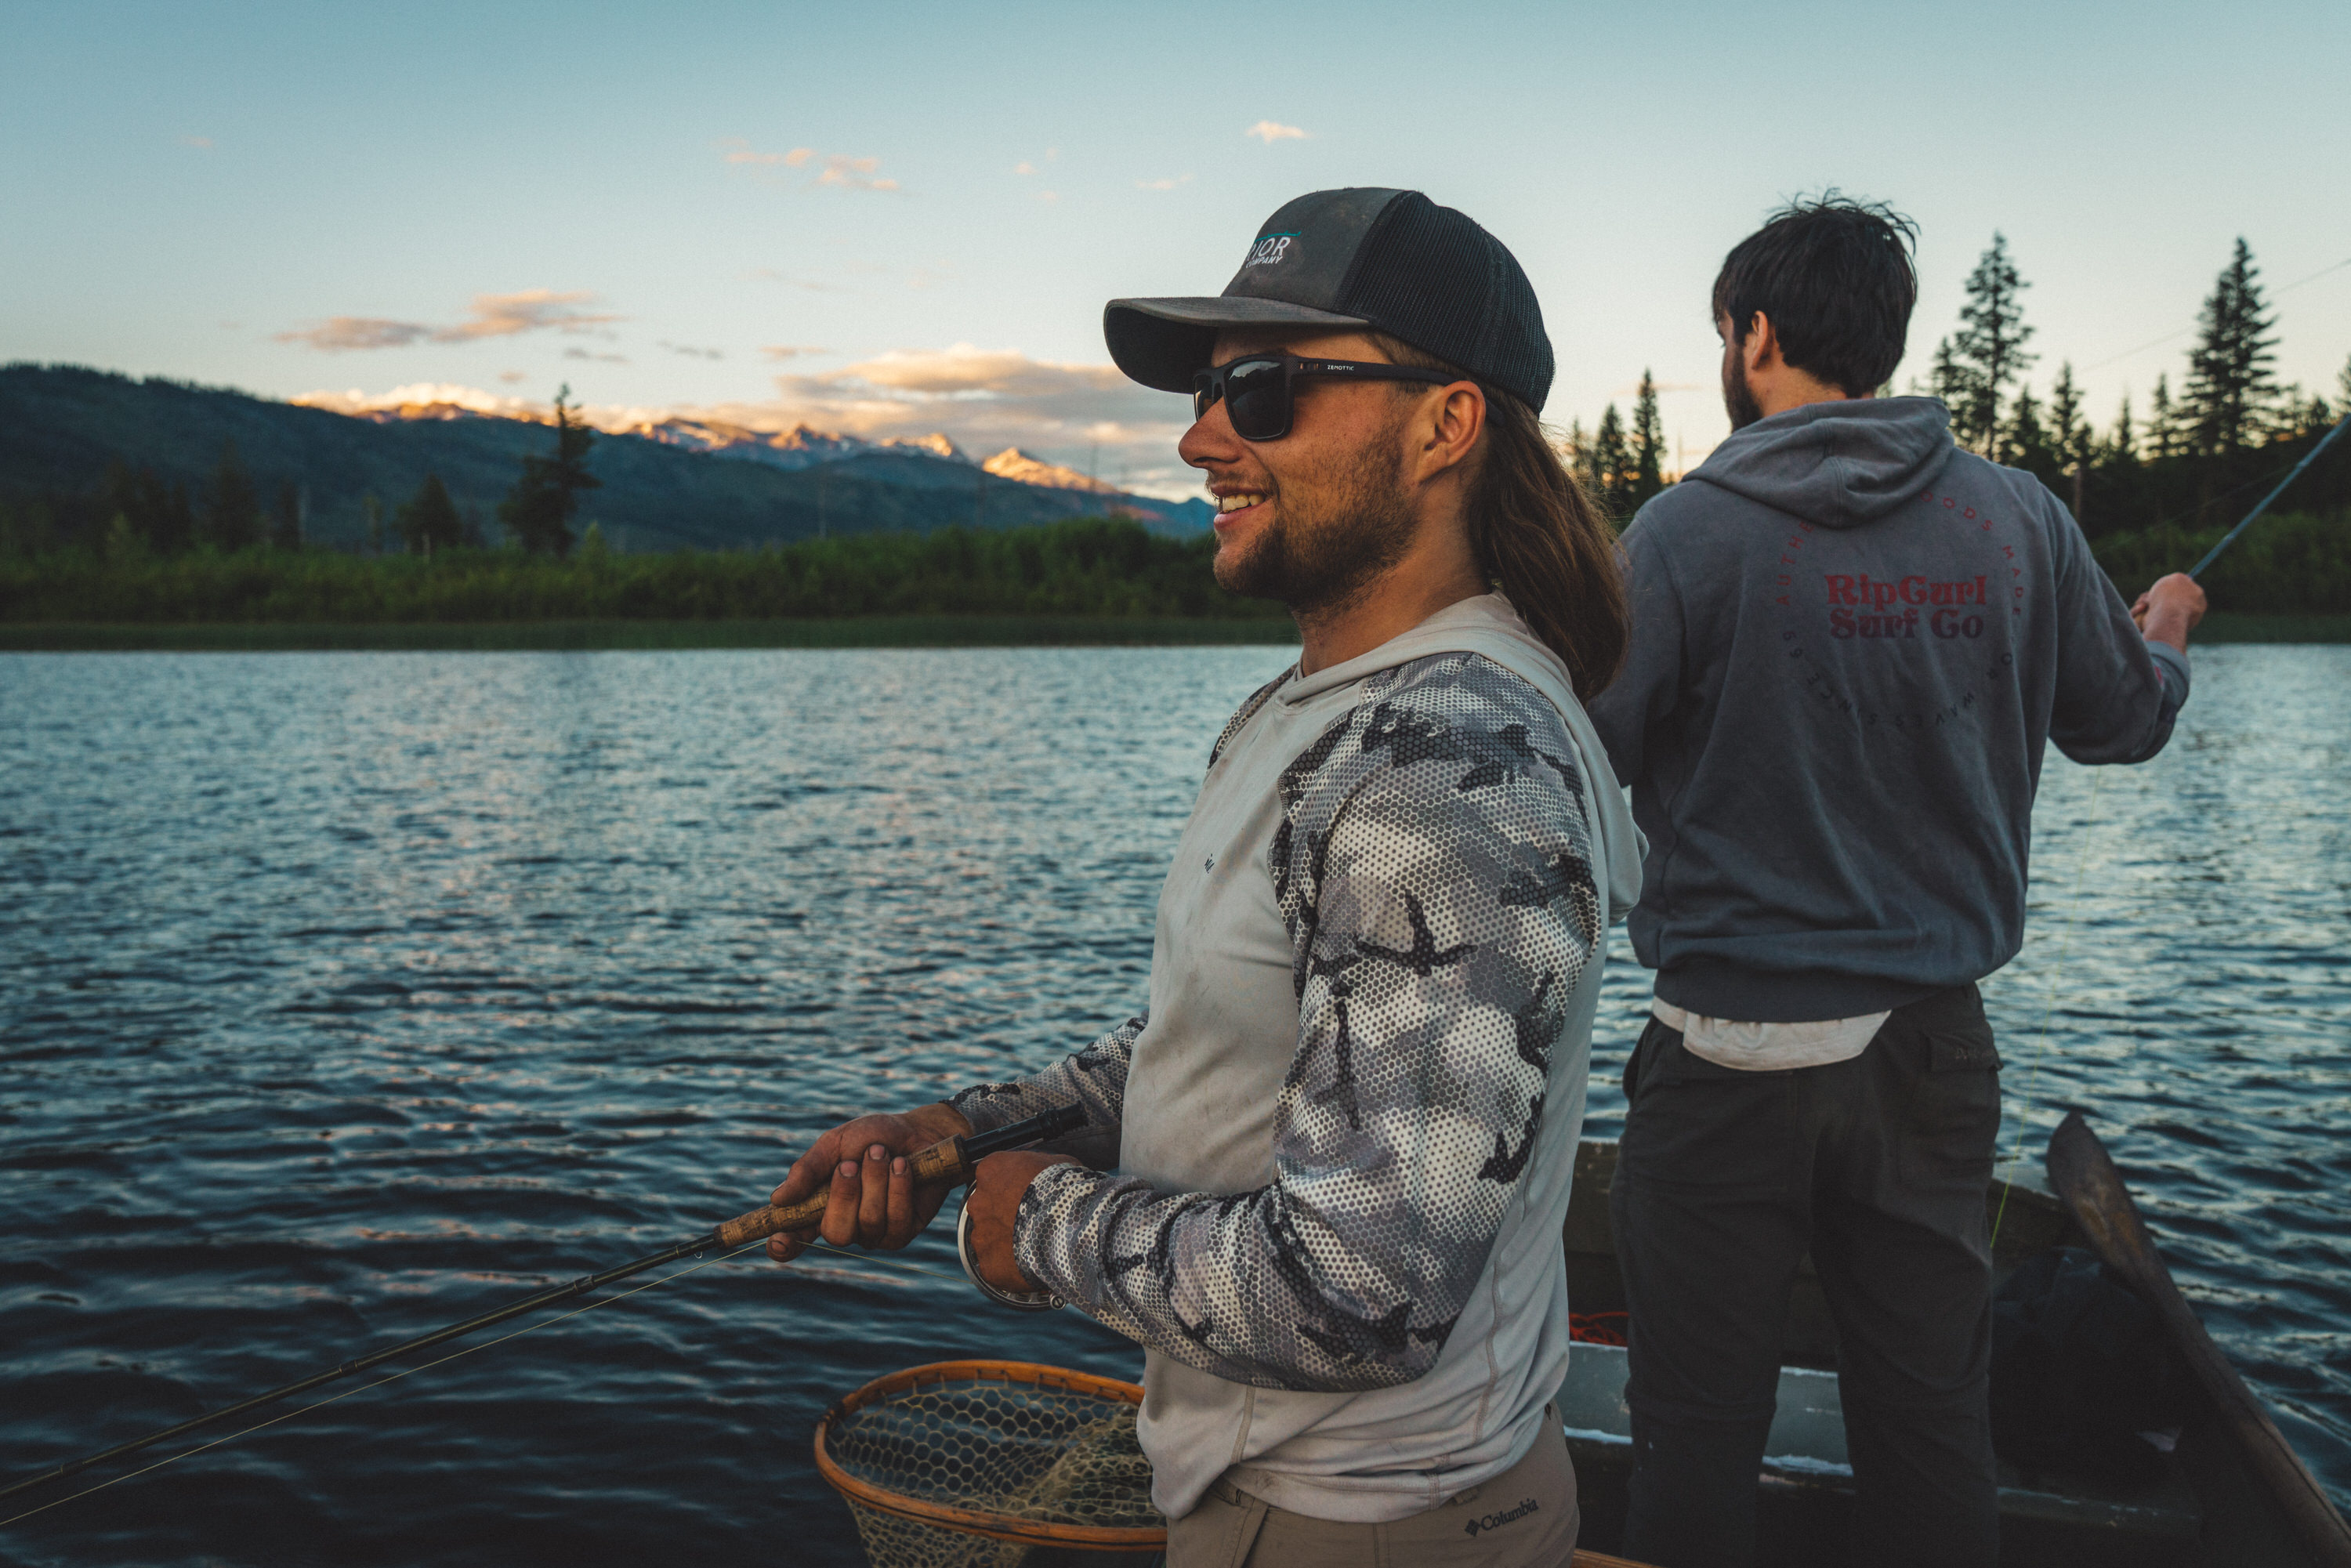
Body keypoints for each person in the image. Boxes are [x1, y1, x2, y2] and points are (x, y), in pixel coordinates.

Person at [765, 187, 1641, 1567]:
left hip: (1366, 1523)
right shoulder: (1332, 711)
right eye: (1207, 389)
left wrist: (1038, 1222)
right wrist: (962, 1136)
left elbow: (1367, 1289)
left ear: (1445, 425)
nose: (1201, 434)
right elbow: (1239, 1048)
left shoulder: (1447, 764)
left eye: (1263, 389)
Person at [1585, 194, 2207, 1568]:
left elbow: (1576, 764)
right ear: (1882, 338)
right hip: (1932, 1051)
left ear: (1754, 335)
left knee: (1693, 1424)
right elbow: (2125, 719)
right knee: (1931, 1422)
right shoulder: (2020, 523)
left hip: (1718, 1060)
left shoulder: (1682, 536)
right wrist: (2163, 637)